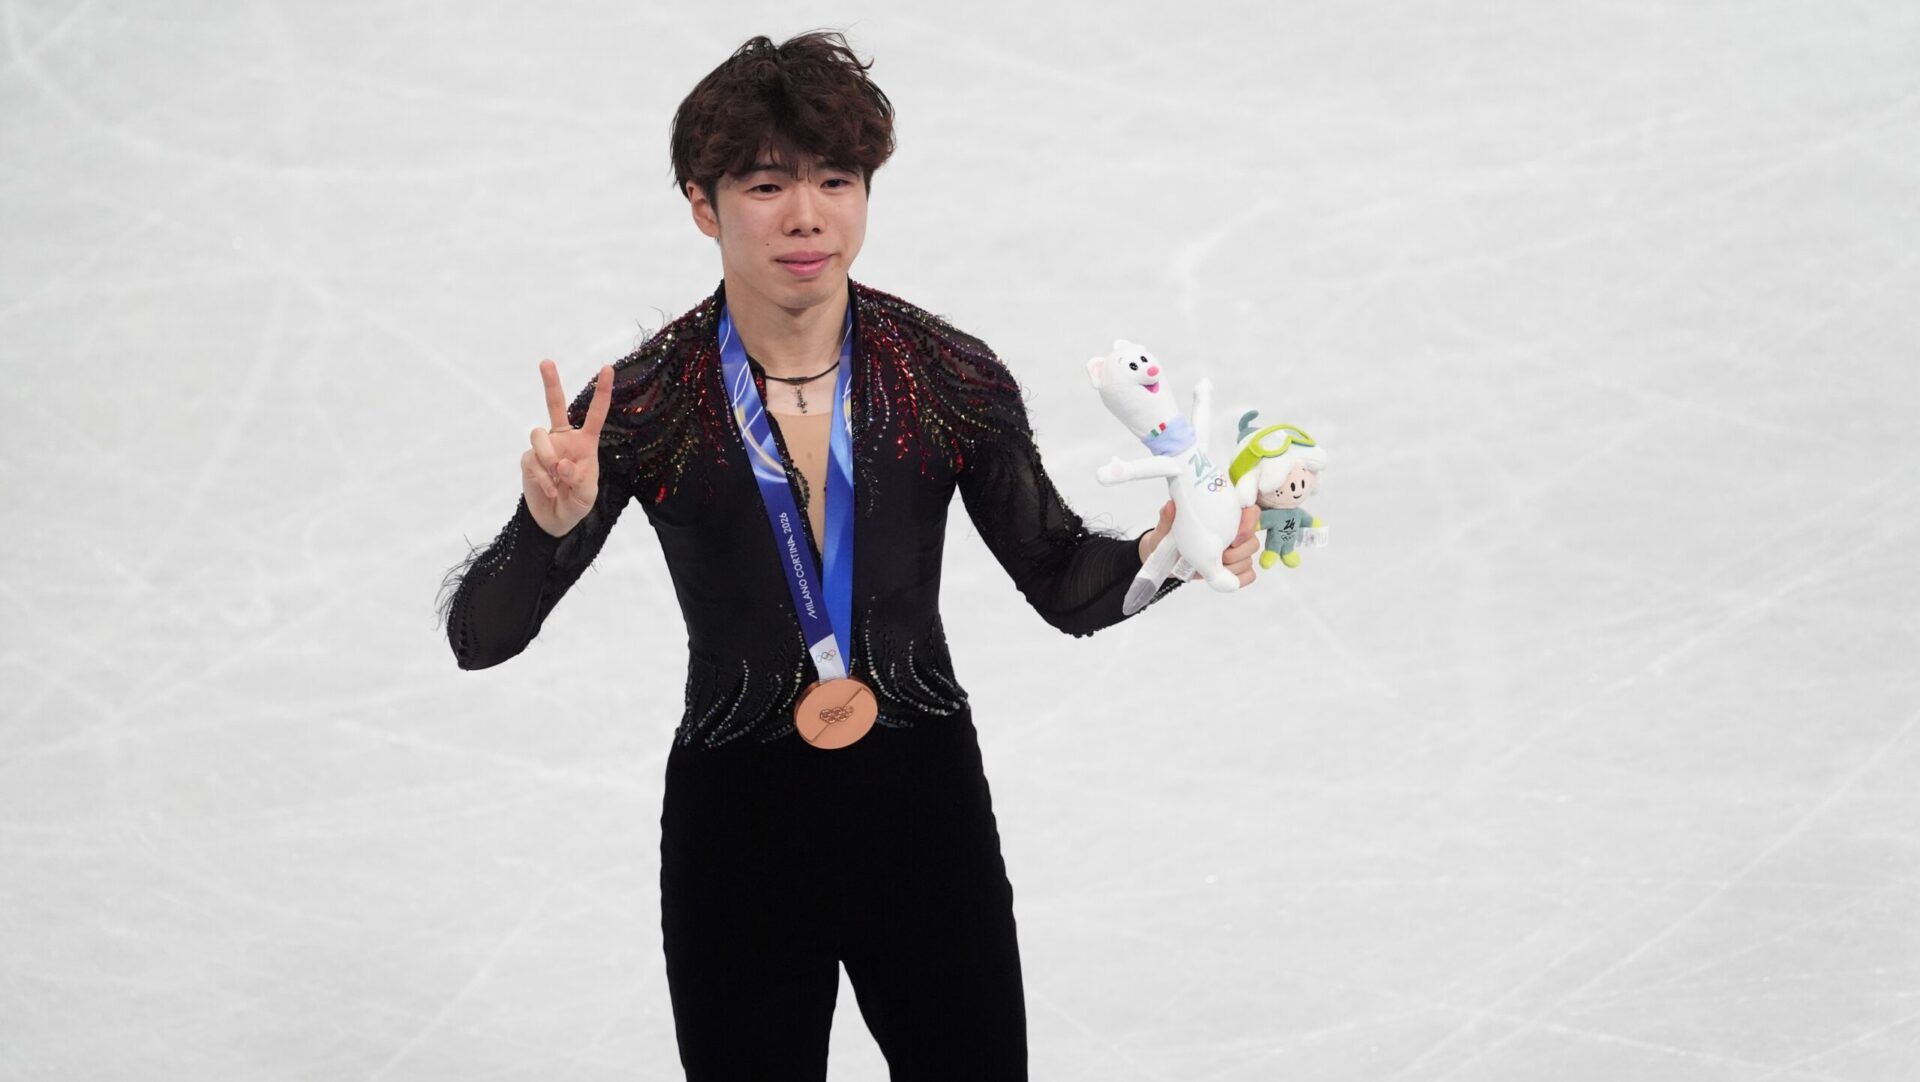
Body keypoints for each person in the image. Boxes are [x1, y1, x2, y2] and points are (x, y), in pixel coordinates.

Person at [435, 30, 1262, 1081]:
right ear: (703, 205)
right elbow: (480, 637)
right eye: (766, 184)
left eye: (836, 180)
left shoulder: (949, 376)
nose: (807, 215)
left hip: (924, 815)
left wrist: (1169, 548)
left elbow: (1061, 580)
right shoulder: (642, 405)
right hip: (738, 830)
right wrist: (545, 526)